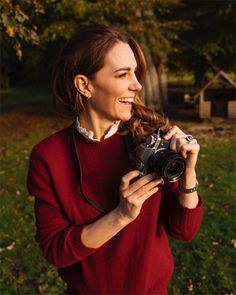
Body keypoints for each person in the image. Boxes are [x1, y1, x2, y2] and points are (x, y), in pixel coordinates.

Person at [27, 24, 203, 295]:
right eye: (123, 74)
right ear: (84, 85)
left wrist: (188, 171)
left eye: (135, 72)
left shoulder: (151, 143)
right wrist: (121, 215)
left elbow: (184, 231)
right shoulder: (48, 157)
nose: (137, 84)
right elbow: (55, 250)